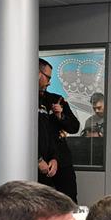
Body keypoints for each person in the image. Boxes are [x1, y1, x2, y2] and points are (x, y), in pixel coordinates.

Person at [37, 58, 80, 201]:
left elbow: (74, 127)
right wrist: (38, 159)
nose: (49, 82)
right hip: (38, 163)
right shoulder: (22, 99)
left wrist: (61, 116)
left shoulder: (57, 100)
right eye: (48, 77)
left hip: (61, 160)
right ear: (37, 74)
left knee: (69, 201)